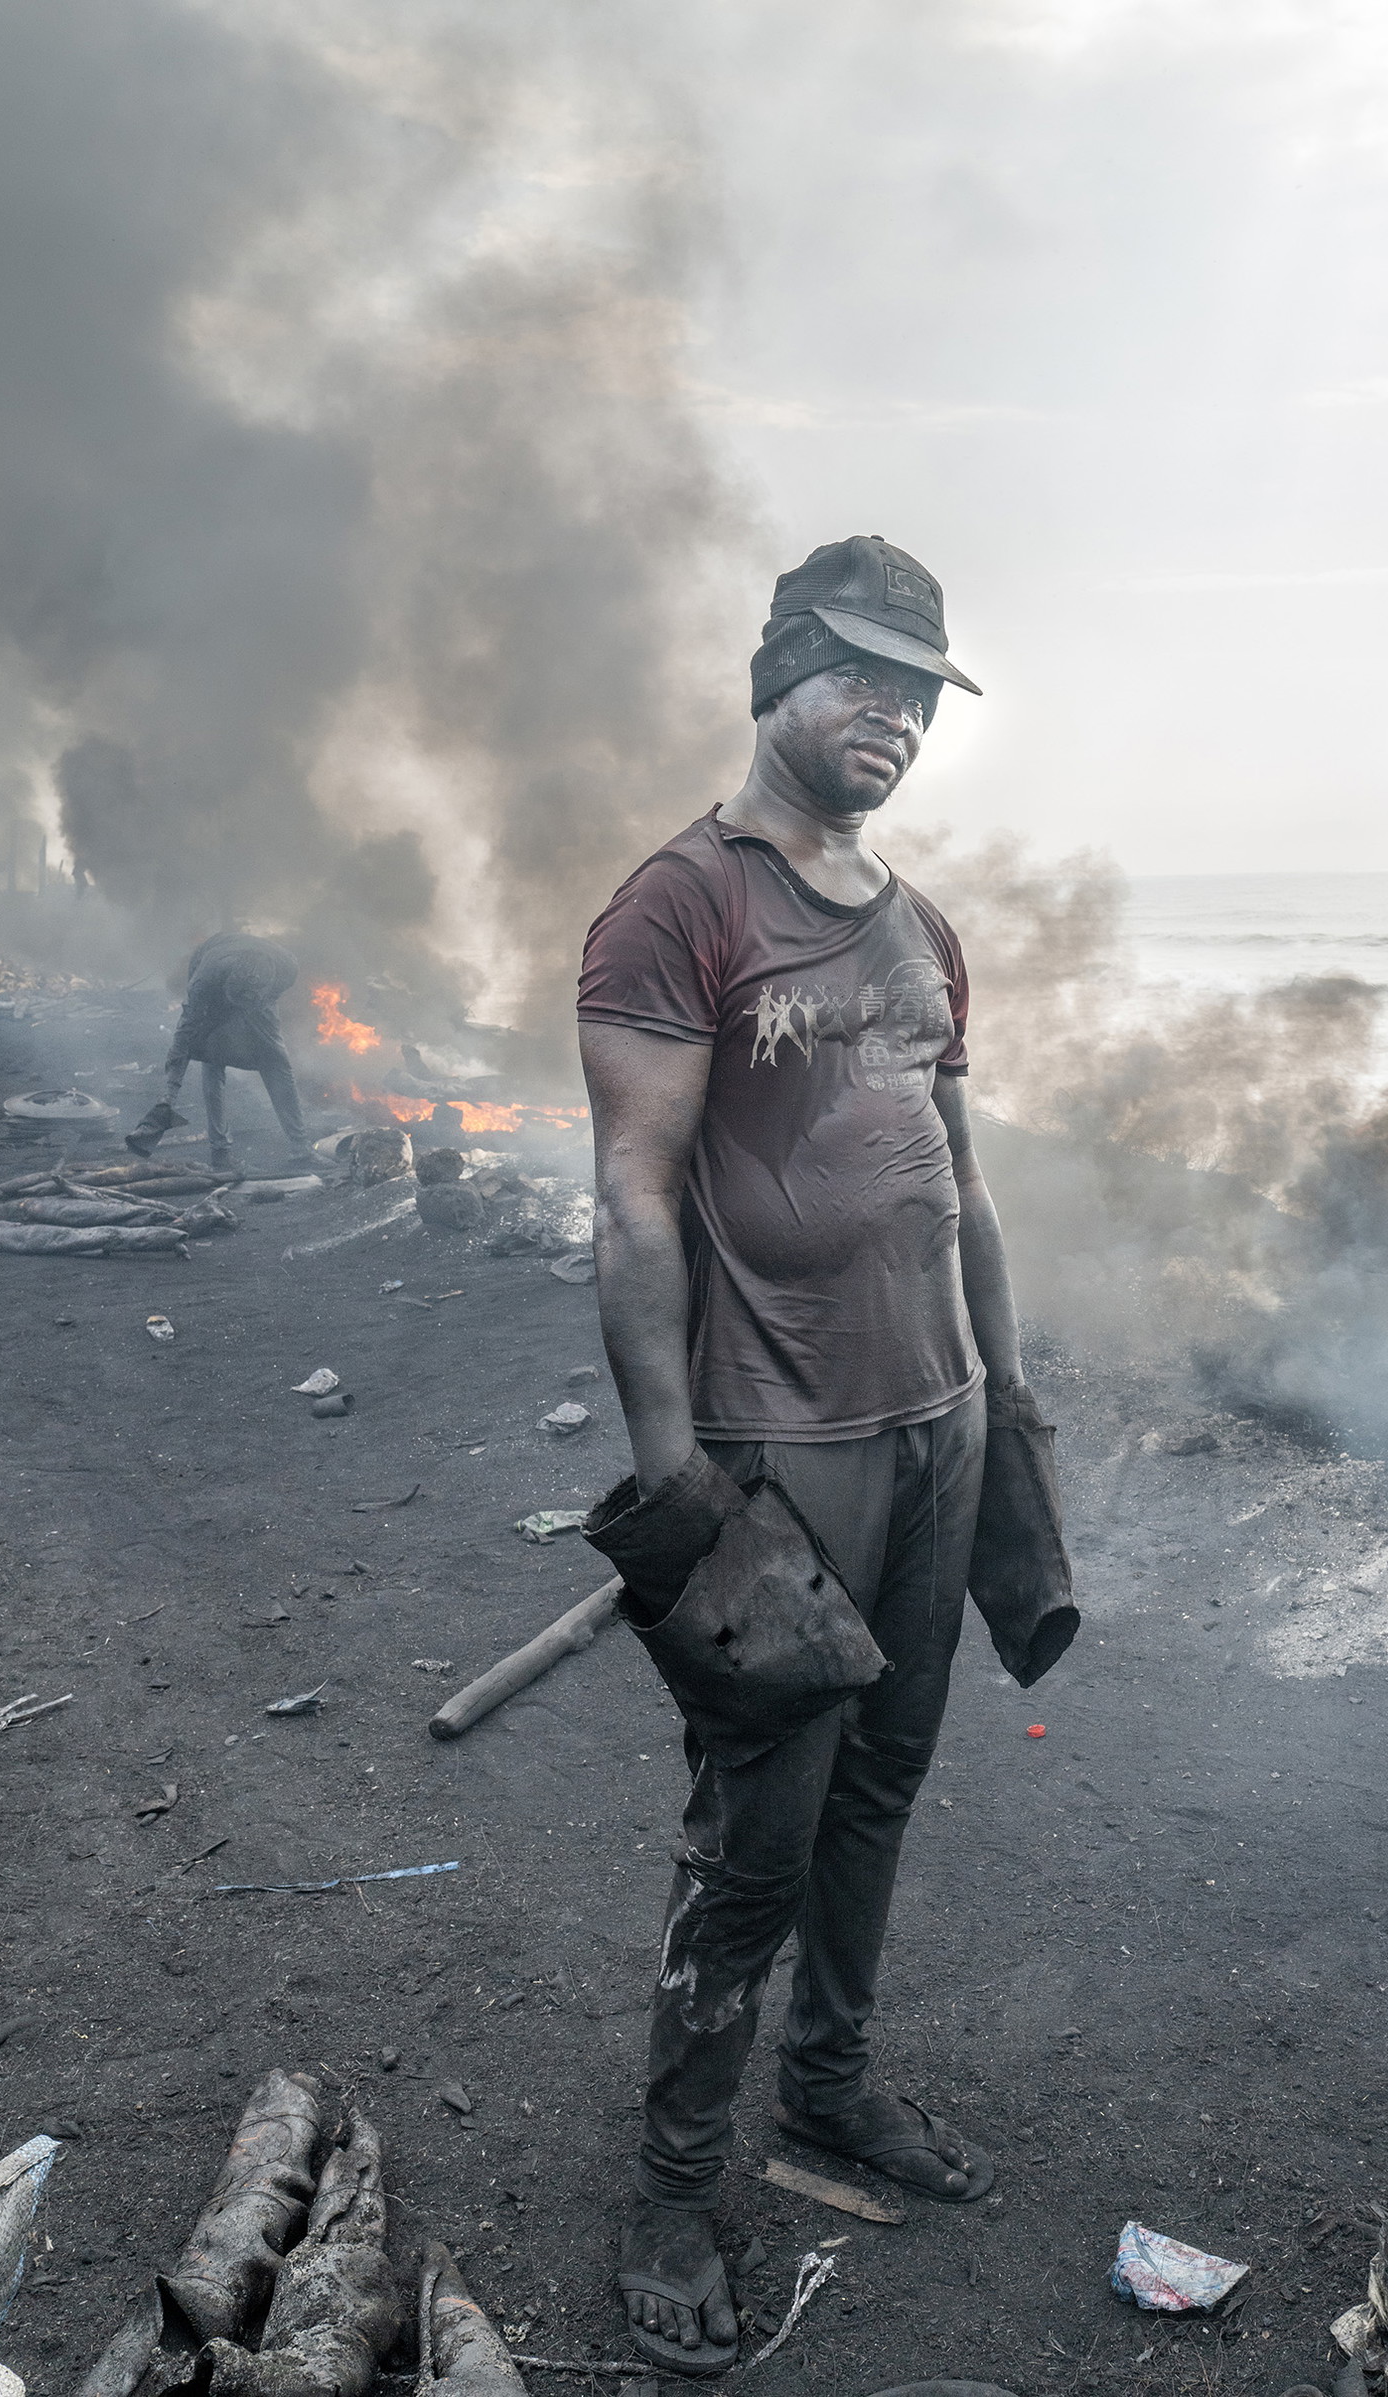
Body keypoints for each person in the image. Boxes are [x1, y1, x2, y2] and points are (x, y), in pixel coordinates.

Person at [577, 535, 1075, 2376]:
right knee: (756, 1835)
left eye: (919, 690)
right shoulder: (678, 907)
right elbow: (635, 1203)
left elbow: (963, 1183)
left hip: (939, 1426)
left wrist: (1006, 1399)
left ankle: (833, 2083)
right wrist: (675, 1484)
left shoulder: (922, 924)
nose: (895, 716)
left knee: (882, 1783)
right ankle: (672, 2186)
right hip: (778, 1448)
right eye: (861, 675)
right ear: (777, 671)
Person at [127, 931, 315, 1175]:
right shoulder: (204, 982)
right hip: (216, 990)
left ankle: (302, 1150)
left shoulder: (286, 969)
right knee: (213, 1060)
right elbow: (183, 1039)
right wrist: (167, 1098)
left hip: (259, 1000)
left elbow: (265, 1002)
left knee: (277, 1061)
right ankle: (221, 1153)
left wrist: (251, 1009)